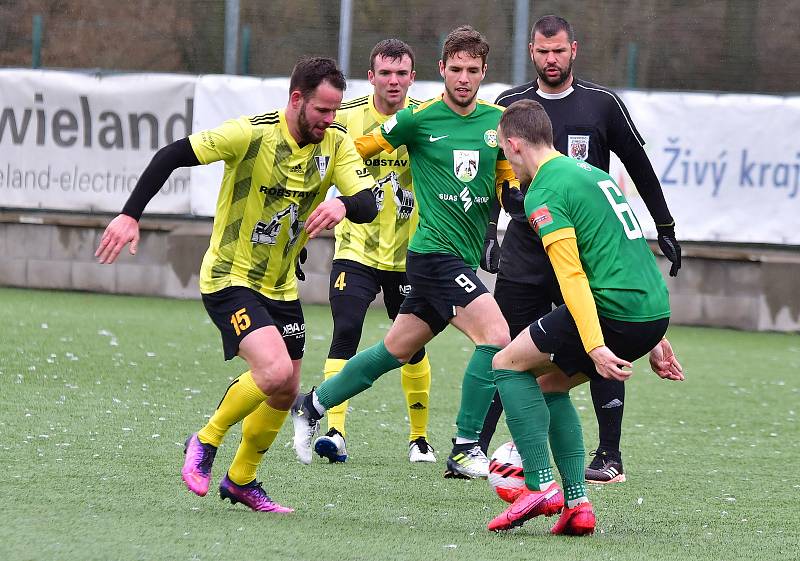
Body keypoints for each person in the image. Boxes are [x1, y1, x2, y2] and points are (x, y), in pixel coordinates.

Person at [94, 56, 379, 512]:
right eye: (322, 111)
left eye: (335, 111)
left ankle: (242, 479)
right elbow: (170, 156)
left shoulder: (337, 142)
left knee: (286, 392)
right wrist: (130, 214)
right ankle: (205, 440)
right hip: (230, 277)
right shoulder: (251, 133)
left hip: (282, 285)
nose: (330, 120)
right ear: (296, 99)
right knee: (274, 373)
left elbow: (367, 203)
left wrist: (345, 204)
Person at [290, 25, 518, 479]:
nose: (464, 78)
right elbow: (356, 149)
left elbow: (508, 183)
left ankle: (311, 405)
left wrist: (520, 206)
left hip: (463, 256)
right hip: (433, 255)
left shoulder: (498, 121)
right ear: (441, 70)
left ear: (484, 72)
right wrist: (318, 188)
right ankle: (466, 445)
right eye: (456, 69)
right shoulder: (418, 119)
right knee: (495, 337)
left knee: (394, 349)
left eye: (473, 70)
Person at [478, 14, 682, 485]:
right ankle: (505, 461)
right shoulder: (580, 168)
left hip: (575, 255)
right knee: (533, 363)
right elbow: (495, 179)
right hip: (547, 260)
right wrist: (491, 230)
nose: (551, 59)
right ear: (532, 52)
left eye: (559, 50)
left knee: (515, 362)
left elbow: (640, 168)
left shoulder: (596, 114)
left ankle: (560, 470)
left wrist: (666, 223)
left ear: (575, 50)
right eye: (543, 51)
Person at [311, 39, 438, 465]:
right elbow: (318, 173)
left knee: (411, 347)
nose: (394, 81)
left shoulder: (425, 118)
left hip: (410, 255)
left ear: (413, 78)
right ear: (371, 77)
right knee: (346, 329)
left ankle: (418, 438)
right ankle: (334, 430)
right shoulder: (344, 119)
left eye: (401, 73)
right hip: (355, 250)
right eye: (385, 73)